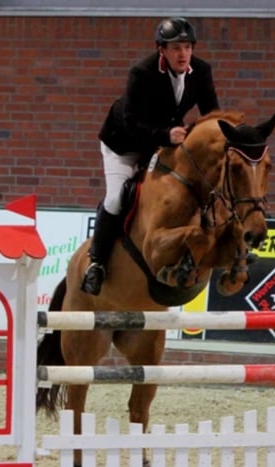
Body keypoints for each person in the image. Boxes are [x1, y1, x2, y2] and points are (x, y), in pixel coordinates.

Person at [81, 17, 220, 295]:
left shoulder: (201, 71)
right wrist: (167, 135)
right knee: (116, 197)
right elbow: (130, 121)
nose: (183, 54)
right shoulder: (142, 72)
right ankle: (96, 263)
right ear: (162, 50)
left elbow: (212, 115)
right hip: (124, 143)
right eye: (176, 48)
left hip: (161, 143)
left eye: (187, 47)